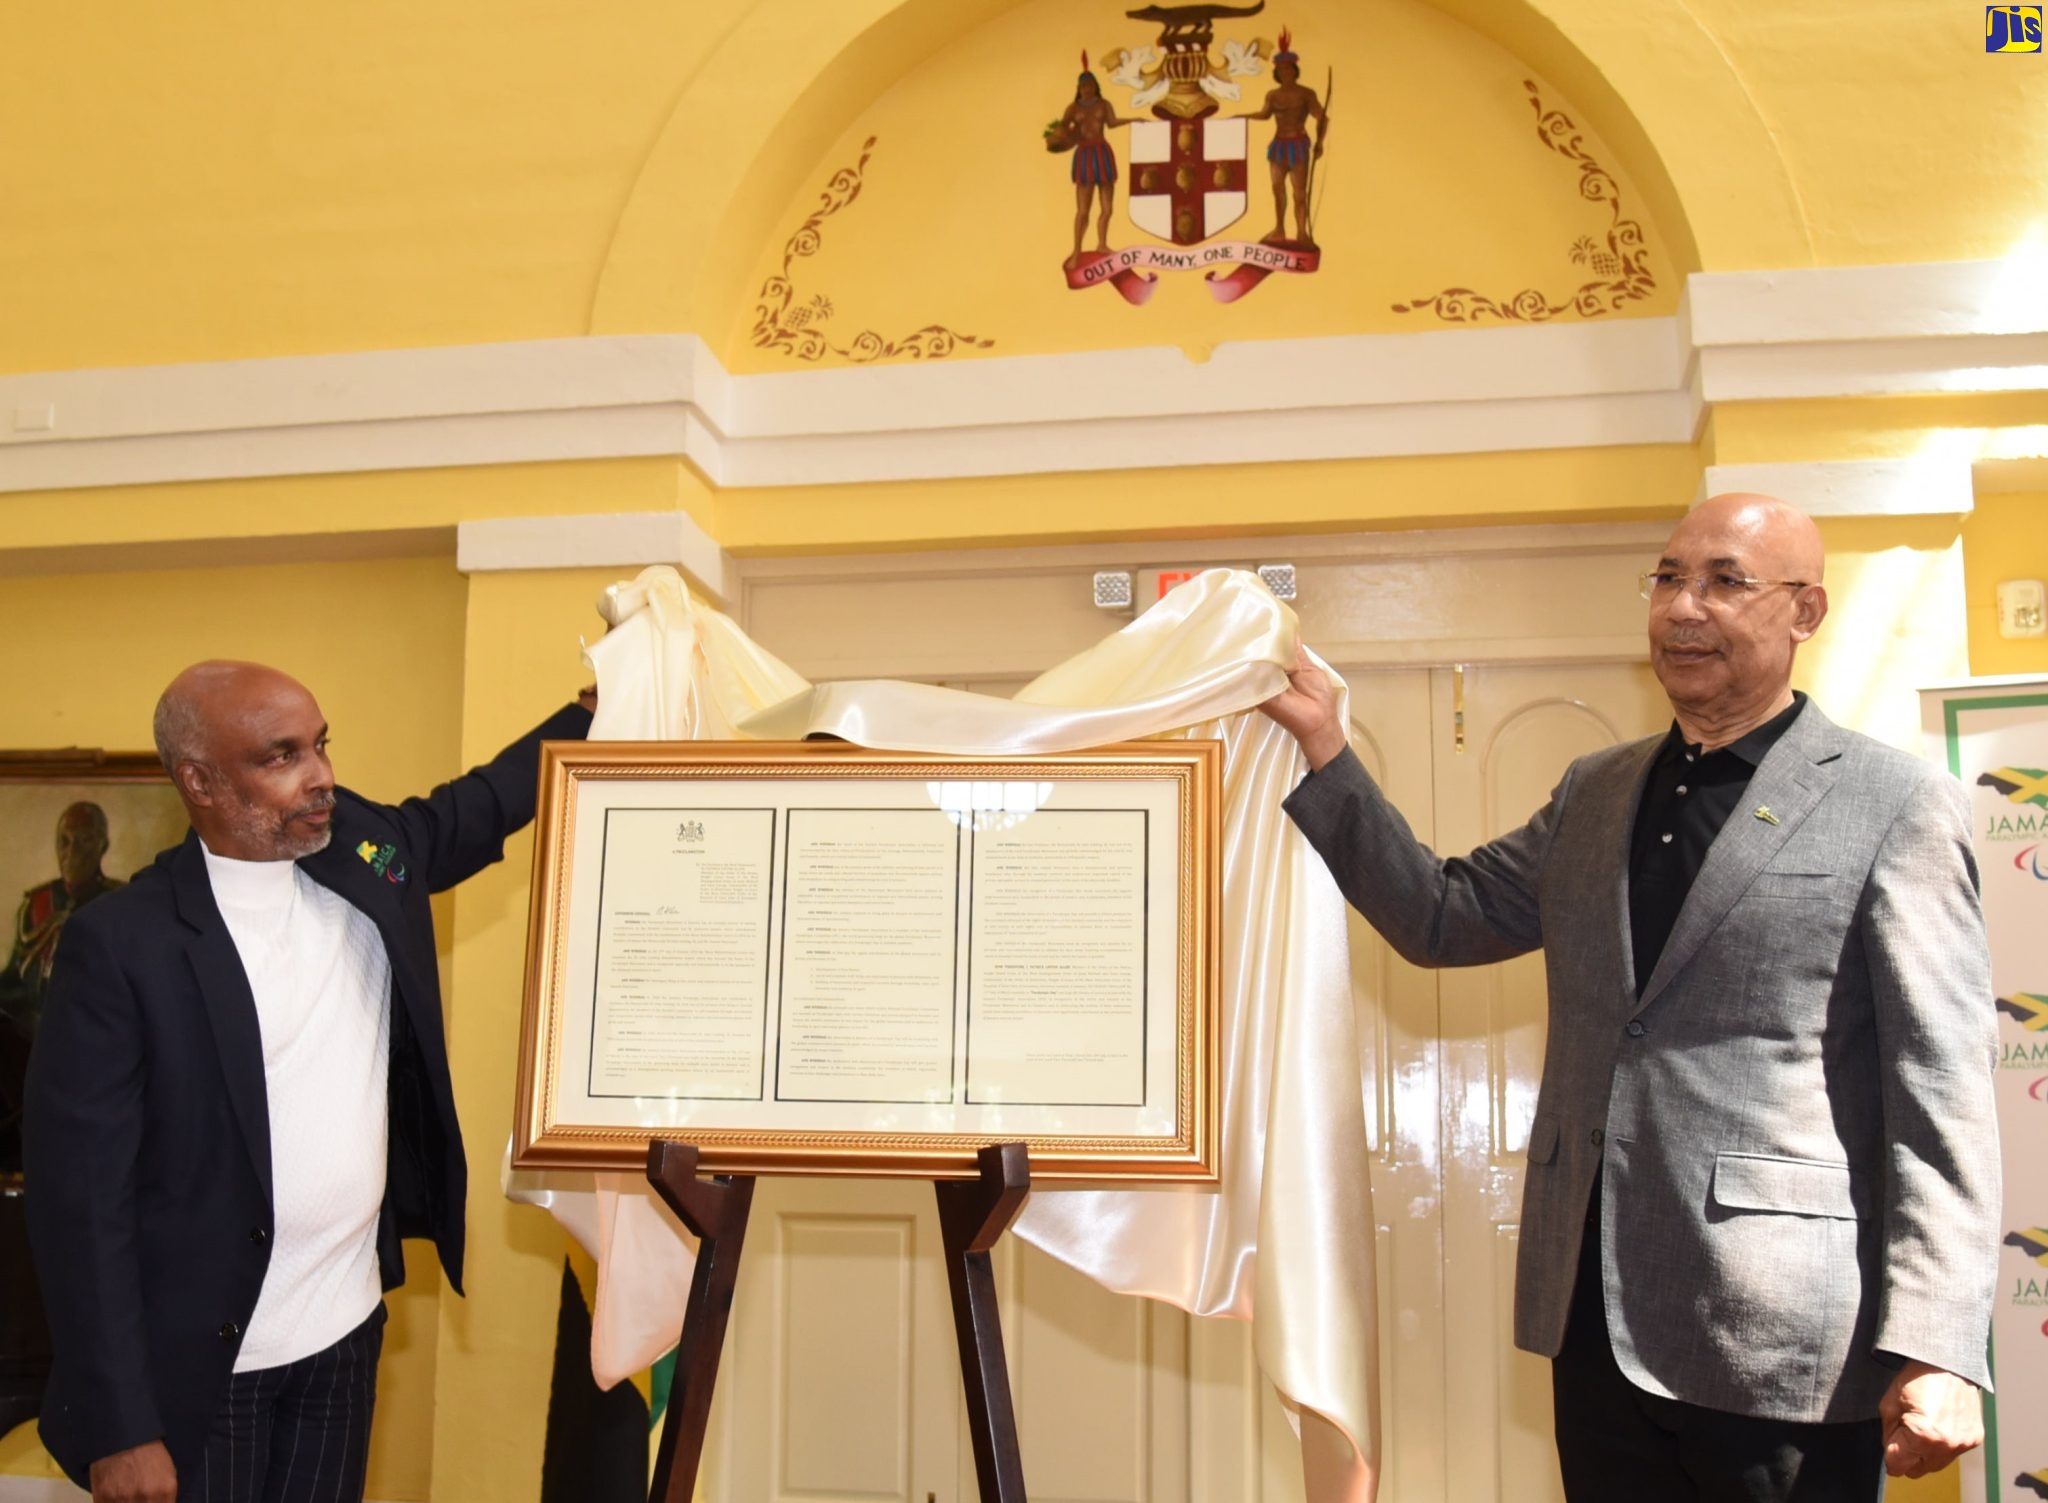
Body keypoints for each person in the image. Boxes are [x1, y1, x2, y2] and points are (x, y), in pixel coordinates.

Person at [1261, 493, 1999, 1499]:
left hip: (1778, 1338)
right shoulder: (1593, 790)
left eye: (1724, 582)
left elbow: (1938, 1093)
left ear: (1804, 611)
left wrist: (1939, 1348)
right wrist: (1324, 750)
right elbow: (1440, 916)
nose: (1682, 607)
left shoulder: (1893, 803)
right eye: (1666, 578)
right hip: (1592, 1316)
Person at [25, 661, 593, 1503]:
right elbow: (80, 1202)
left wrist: (591, 713)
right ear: (201, 780)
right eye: (282, 755)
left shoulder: (365, 858)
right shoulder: (121, 944)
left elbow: (475, 807)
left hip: (343, 1337)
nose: (320, 774)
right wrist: (121, 1425)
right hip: (203, 1370)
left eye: (321, 745)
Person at [0, 802, 124, 1032]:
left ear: (102, 846)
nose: (72, 853)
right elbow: (15, 981)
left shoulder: (122, 904)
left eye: (84, 840)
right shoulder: (36, 905)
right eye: (64, 842)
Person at [1236, 31, 1327, 244]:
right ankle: (1279, 229)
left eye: (1288, 69)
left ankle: (1301, 233)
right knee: (1277, 190)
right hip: (1278, 146)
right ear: (1277, 72)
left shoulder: (1306, 93)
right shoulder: (1273, 95)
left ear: (1294, 71)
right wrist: (1242, 116)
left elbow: (1322, 117)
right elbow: (1264, 115)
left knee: (1299, 193)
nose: (1285, 72)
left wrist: (1320, 142)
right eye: (1281, 70)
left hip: (1298, 145)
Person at [1054, 56, 1140, 269]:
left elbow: (1111, 123)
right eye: (1083, 86)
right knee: (1083, 210)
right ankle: (1077, 251)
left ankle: (1102, 244)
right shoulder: (1072, 108)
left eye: (1090, 85)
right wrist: (1059, 135)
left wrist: (1132, 120)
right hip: (1084, 156)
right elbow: (1062, 129)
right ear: (1079, 88)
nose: (1087, 89)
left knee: (1107, 207)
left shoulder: (1104, 104)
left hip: (1102, 154)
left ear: (1095, 86)